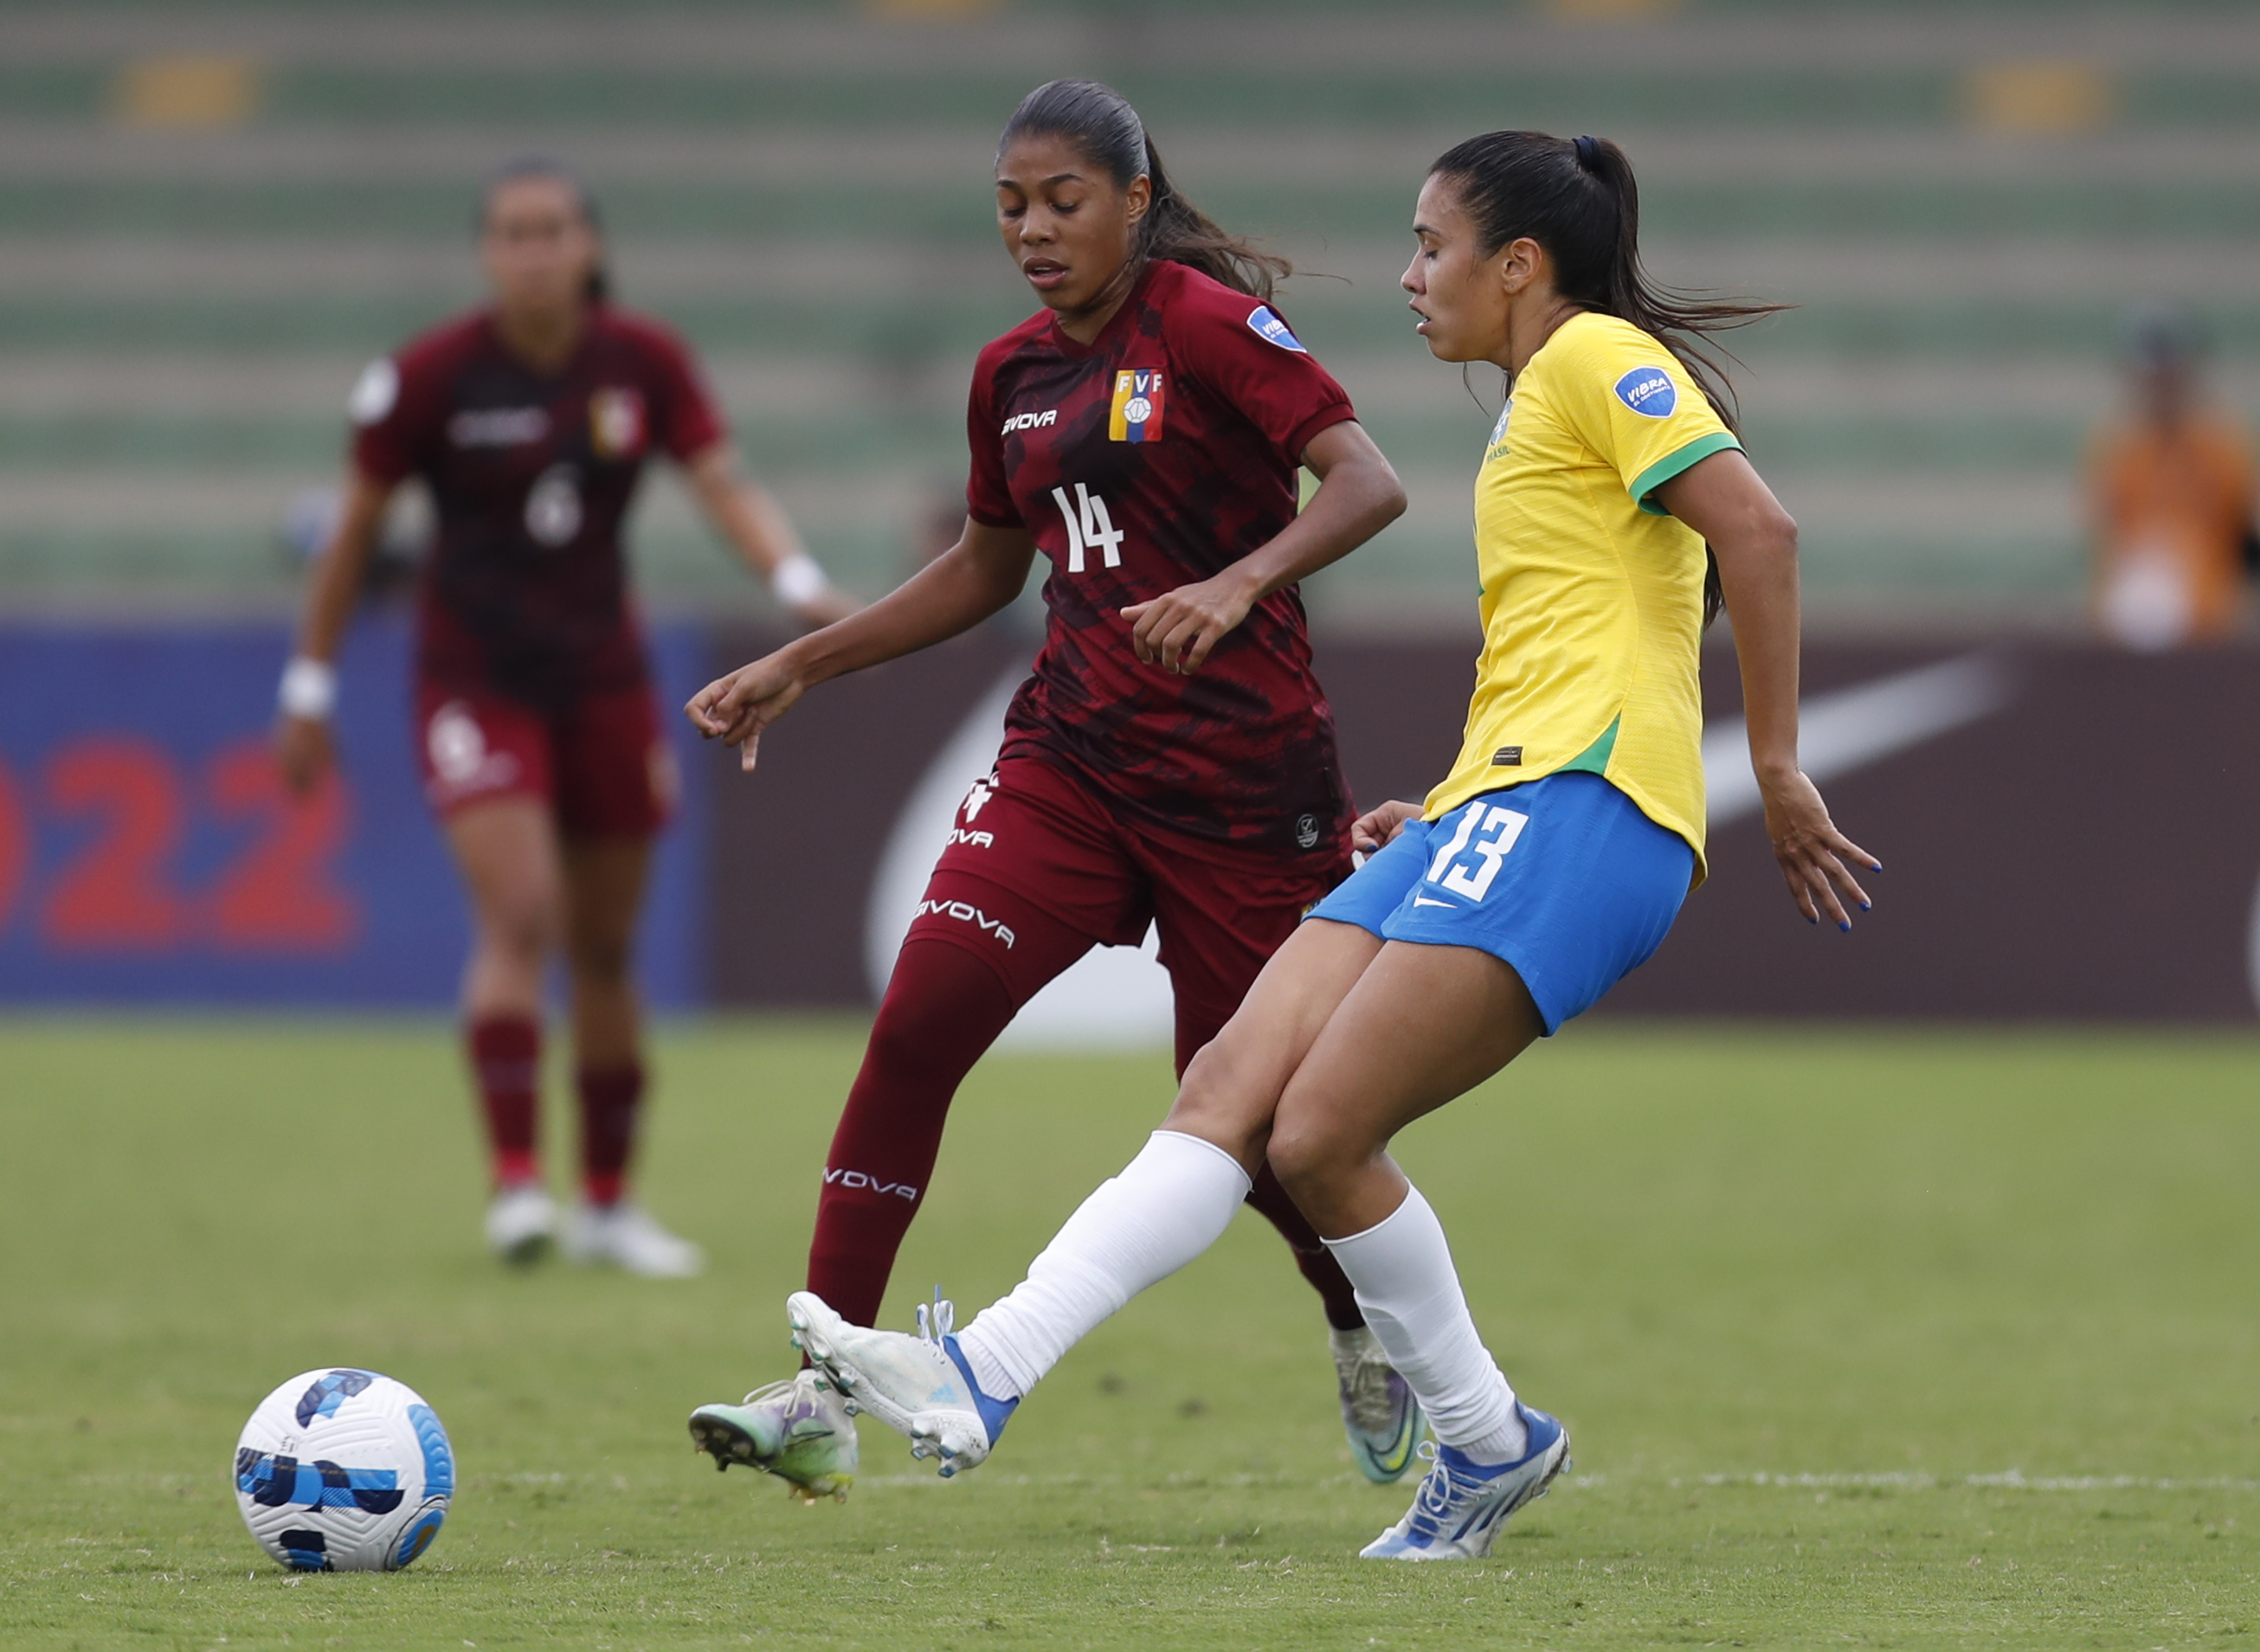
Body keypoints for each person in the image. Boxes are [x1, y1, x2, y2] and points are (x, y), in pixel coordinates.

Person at [782, 130, 1879, 1561]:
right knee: (1235, 1085)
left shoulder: (1594, 360)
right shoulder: (1539, 399)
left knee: (1315, 1132)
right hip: (1500, 796)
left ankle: (1477, 1438)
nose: (1412, 276)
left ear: (1520, 265)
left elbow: (1761, 530)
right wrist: (1447, 796)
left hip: (1587, 805)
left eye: (1433, 247)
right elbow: (1586, 631)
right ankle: (989, 1369)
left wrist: (1777, 763)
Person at [681, 80, 1414, 1502]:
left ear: (1136, 202)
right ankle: (825, 1383)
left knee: (1262, 1133)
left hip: (1244, 792)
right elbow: (983, 565)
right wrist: (804, 663)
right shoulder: (1008, 371)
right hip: (1069, 765)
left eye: (1061, 199)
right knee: (920, 1015)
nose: (1031, 228)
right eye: (1010, 204)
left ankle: (1359, 1317)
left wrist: (1238, 575)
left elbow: (1365, 480)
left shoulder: (1202, 323)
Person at [274, 157, 852, 1275]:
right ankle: (515, 1187)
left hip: (604, 680)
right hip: (474, 680)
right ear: (487, 254)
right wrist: (308, 684)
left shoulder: (642, 364)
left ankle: (605, 1203)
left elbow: (721, 481)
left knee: (606, 945)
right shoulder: (431, 378)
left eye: (550, 231)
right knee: (523, 912)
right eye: (510, 233)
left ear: (588, 246)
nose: (531, 251)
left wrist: (795, 584)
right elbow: (352, 533)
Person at [2085, 304, 2257, 651]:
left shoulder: (2223, 448)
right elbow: (2113, 539)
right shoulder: (2119, 451)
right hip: (2131, 625)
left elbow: (2245, 537)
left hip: (2208, 626)